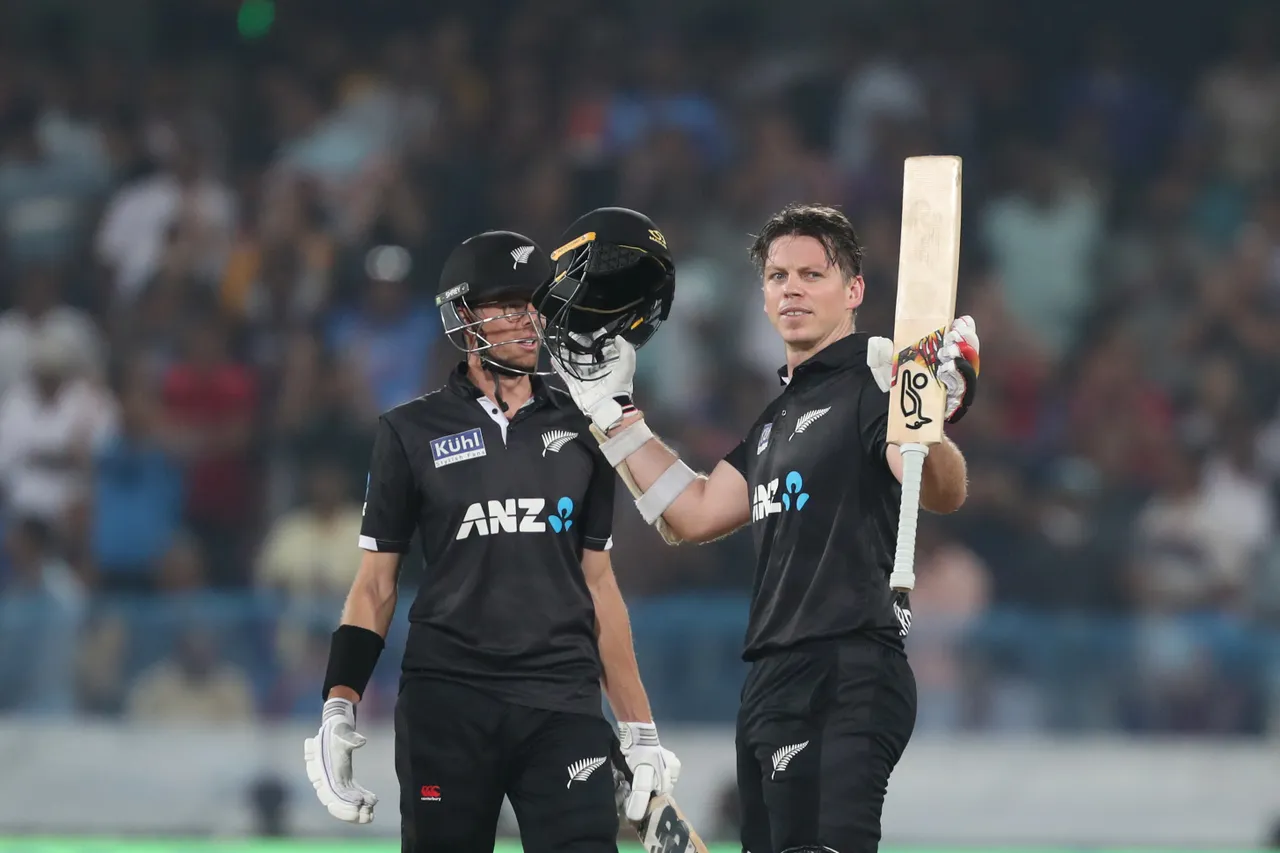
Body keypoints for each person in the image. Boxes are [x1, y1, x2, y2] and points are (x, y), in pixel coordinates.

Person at [545, 204, 980, 853]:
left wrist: (926, 420)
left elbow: (938, 487)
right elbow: (690, 513)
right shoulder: (778, 416)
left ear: (853, 290)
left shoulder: (874, 381)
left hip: (846, 668)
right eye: (778, 276)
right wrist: (613, 414)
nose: (792, 288)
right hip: (771, 683)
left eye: (812, 273)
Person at [304, 230, 680, 853]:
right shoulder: (408, 432)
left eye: (533, 303)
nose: (527, 320)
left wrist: (639, 729)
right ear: (461, 317)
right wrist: (338, 704)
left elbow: (598, 584)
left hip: (562, 701)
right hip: (446, 704)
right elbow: (375, 584)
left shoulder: (587, 424)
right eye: (504, 305)